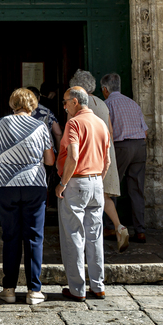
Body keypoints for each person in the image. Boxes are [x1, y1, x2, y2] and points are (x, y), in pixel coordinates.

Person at [0, 87, 56, 305]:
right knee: (34, 237)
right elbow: (50, 161)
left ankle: (9, 289)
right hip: (34, 185)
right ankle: (34, 291)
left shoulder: (1, 123)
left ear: (12, 103)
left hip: (6, 185)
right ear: (32, 105)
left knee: (10, 236)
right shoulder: (40, 126)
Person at [55, 85, 111, 301]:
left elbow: (73, 156)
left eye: (65, 101)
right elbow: (106, 160)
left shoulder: (74, 123)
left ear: (75, 102)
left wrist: (63, 182)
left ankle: (77, 288)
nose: (64, 105)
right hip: (97, 182)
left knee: (74, 235)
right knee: (95, 237)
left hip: (77, 182)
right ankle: (98, 286)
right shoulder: (100, 123)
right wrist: (98, 179)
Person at [70, 69, 129, 253]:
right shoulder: (103, 104)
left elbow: (72, 133)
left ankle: (86, 239)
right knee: (103, 195)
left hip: (88, 156)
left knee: (84, 196)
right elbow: (110, 131)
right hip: (106, 153)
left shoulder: (77, 105)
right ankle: (119, 226)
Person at [101, 72, 148, 243]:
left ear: (105, 89)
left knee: (111, 186)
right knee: (136, 189)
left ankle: (111, 228)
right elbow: (145, 130)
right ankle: (140, 230)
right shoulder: (133, 104)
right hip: (140, 145)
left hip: (121, 146)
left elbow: (108, 132)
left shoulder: (107, 105)